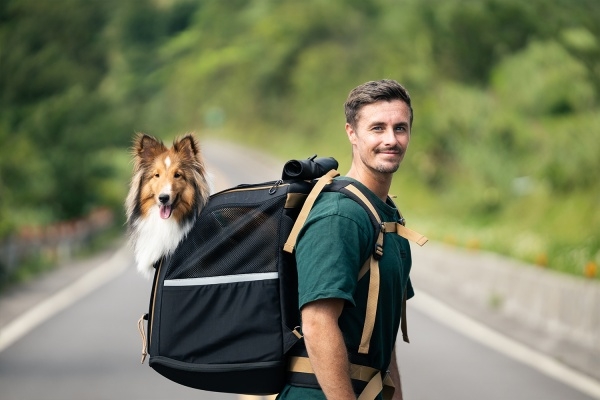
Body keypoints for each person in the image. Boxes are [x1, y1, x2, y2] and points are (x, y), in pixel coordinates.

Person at [278, 79, 415, 400]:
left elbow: (383, 338)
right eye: (377, 128)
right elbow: (317, 324)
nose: (391, 139)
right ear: (352, 133)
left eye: (400, 128)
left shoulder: (388, 217)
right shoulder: (340, 216)